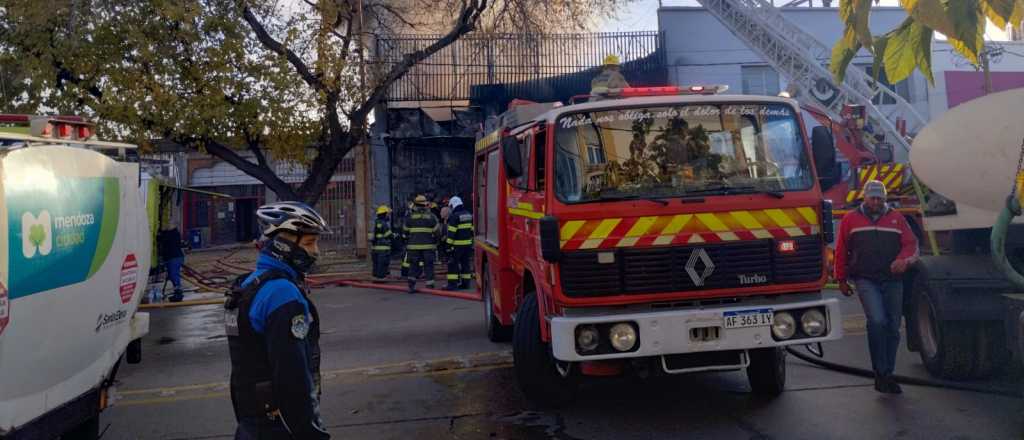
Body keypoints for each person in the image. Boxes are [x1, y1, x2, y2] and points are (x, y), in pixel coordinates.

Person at [225, 201, 332, 439]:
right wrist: (309, 433)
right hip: (279, 428)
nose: (315, 251)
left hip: (252, 423)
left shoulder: (247, 284)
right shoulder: (281, 294)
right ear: (282, 247)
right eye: (308, 243)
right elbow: (292, 377)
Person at [834, 180, 919, 395]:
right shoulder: (850, 219)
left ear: (885, 198)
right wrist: (841, 279)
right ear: (864, 198)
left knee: (892, 327)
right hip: (865, 279)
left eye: (880, 198)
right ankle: (879, 372)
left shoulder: (897, 219)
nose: (876, 202)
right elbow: (841, 250)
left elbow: (911, 244)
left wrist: (902, 260)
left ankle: (887, 373)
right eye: (872, 198)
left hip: (893, 280)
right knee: (877, 321)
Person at [403, 195, 440, 293]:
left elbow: (405, 232)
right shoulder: (431, 217)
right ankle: (430, 285)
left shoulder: (409, 217)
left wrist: (408, 240)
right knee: (429, 265)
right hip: (428, 247)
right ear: (425, 205)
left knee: (413, 266)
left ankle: (411, 286)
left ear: (415, 205)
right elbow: (437, 232)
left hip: (413, 247)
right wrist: (436, 242)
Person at [445, 197, 474, 290]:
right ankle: (466, 284)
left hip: (457, 246)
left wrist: (448, 246)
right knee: (465, 264)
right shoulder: (469, 214)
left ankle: (452, 285)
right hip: (468, 245)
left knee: (452, 264)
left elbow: (451, 233)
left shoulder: (454, 216)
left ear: (453, 205)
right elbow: (472, 230)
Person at [157, 222, 186, 302]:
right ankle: (177, 292)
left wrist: (159, 232)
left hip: (174, 258)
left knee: (174, 275)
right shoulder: (172, 233)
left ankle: (178, 293)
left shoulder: (173, 234)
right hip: (172, 258)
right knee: (172, 275)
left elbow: (161, 238)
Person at [371, 205, 393, 281]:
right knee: (382, 263)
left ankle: (375, 276)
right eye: (387, 214)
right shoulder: (383, 223)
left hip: (375, 248)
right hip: (383, 248)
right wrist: (394, 236)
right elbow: (388, 235)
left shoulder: (376, 222)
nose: (388, 216)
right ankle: (381, 277)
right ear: (384, 214)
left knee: (376, 263)